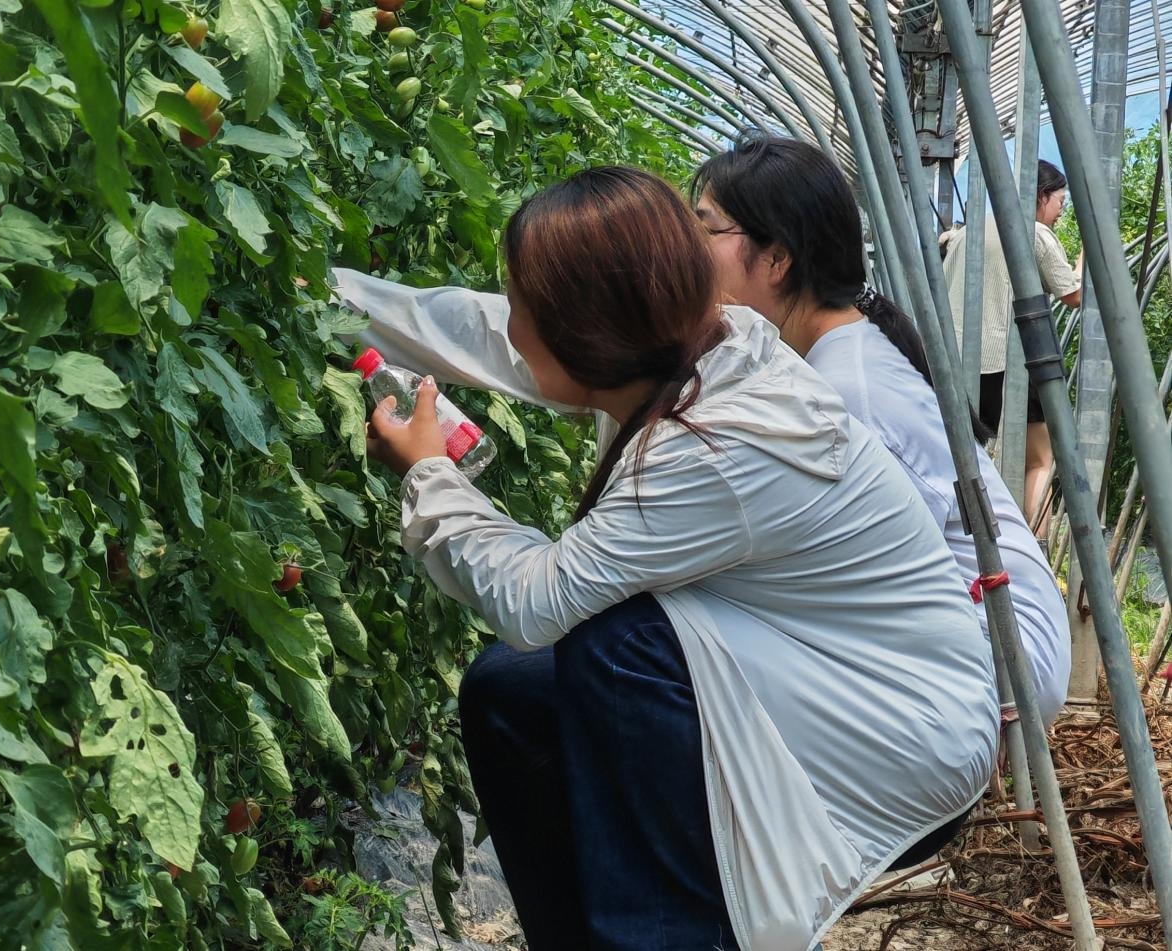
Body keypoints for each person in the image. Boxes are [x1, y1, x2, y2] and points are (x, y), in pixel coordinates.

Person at [340, 166, 998, 951]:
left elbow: (536, 599)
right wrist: (335, 301)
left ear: (585, 330)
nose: (510, 326)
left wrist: (428, 473)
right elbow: (486, 334)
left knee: (615, 644)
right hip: (815, 675)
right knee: (509, 690)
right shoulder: (685, 348)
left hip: (899, 736)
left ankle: (669, 935)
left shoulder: (717, 445)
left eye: (524, 307)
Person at [691, 134, 1070, 728]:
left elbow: (878, 575)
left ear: (776, 259)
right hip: (984, 639)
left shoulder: (845, 392)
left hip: (999, 658)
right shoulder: (841, 354)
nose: (688, 253)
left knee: (676, 643)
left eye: (705, 230)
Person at [941, 159, 1083, 535]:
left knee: (969, 459)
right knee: (1039, 460)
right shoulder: (1033, 233)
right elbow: (1073, 295)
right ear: (1041, 197)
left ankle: (975, 543)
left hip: (957, 364)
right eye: (1060, 202)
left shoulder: (969, 232)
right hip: (1010, 363)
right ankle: (1035, 547)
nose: (1060, 212)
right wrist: (1085, 262)